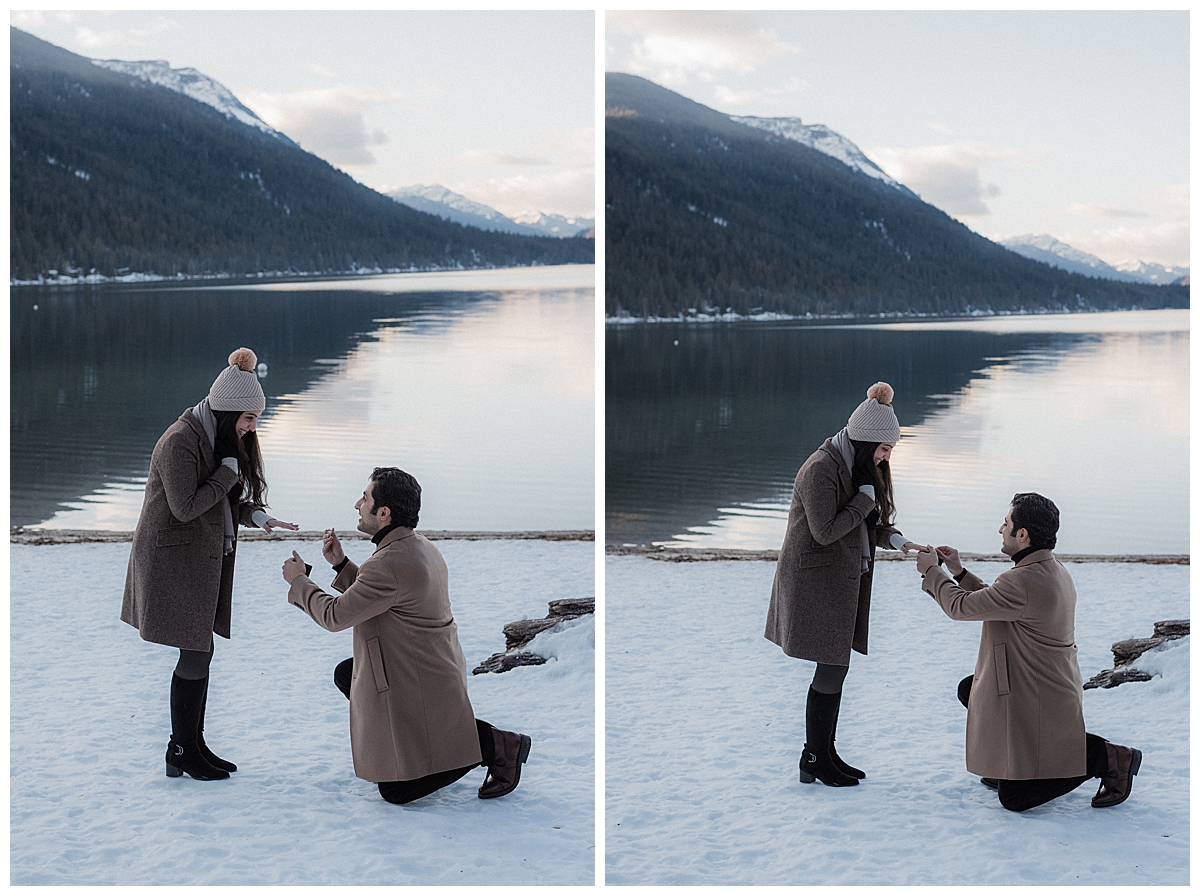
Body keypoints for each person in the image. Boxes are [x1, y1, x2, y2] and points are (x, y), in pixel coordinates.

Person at [280, 466, 531, 805]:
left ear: (384, 513)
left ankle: (493, 745)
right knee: (348, 674)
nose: (357, 504)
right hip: (423, 666)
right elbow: (382, 596)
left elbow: (336, 615)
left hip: (419, 677)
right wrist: (341, 565)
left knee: (395, 792)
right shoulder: (415, 546)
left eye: (364, 499)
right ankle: (419, 745)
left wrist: (299, 581)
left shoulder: (389, 563)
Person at [122, 347, 298, 781]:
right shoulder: (180, 442)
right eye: (249, 418)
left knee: (201, 648)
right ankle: (181, 750)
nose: (252, 427)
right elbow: (187, 507)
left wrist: (258, 515)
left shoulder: (215, 438)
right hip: (172, 559)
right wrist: (228, 474)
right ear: (227, 412)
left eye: (255, 419)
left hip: (194, 556)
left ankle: (190, 744)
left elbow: (220, 504)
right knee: (197, 649)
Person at [915, 492, 1142, 812]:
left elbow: (960, 608)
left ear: (1022, 534)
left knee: (1014, 799)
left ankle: (1108, 758)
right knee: (973, 690)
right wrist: (958, 571)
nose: (1000, 530)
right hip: (1036, 683)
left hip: (1037, 694)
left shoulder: (1022, 580)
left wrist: (931, 572)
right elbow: (996, 602)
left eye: (1005, 524)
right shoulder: (1047, 568)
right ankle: (1011, 762)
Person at [764, 382, 927, 787]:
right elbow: (826, 531)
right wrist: (864, 501)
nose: (887, 456)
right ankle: (815, 758)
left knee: (836, 666)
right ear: (866, 441)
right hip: (812, 582)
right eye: (885, 449)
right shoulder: (821, 470)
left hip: (836, 579)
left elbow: (870, 525)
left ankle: (824, 754)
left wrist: (902, 542)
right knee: (832, 666)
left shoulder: (852, 467)